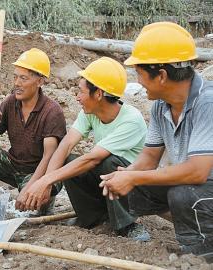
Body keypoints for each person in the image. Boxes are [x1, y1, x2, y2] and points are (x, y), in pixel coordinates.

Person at [100, 22, 213, 261]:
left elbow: (198, 172)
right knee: (123, 179)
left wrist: (133, 177)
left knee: (183, 194)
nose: (138, 81)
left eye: (139, 73)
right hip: (196, 185)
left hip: (201, 183)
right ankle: (192, 223)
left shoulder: (207, 103)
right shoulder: (162, 105)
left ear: (161, 75)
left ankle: (201, 256)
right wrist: (126, 174)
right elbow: (149, 157)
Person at [16, 57, 150, 240]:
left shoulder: (131, 120)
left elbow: (92, 159)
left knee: (108, 162)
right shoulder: (90, 112)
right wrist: (48, 182)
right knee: (69, 160)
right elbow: (66, 145)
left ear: (99, 94)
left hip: (134, 190)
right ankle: (94, 219)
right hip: (107, 186)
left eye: (81, 91)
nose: (77, 97)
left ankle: (128, 225)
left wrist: (45, 182)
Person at [0, 48, 66, 214]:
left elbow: (49, 157)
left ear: (40, 82)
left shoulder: (52, 112)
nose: (17, 83)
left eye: (23, 78)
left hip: (41, 172)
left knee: (31, 204)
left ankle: (45, 203)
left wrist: (29, 189)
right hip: (13, 165)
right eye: (15, 77)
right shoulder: (11, 103)